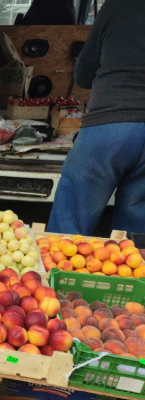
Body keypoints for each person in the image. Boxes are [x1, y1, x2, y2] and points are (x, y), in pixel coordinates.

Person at [47, 0, 145, 235]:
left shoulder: (116, 7)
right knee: (136, 238)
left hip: (109, 126)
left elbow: (82, 75)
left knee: (71, 223)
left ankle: (61, 272)